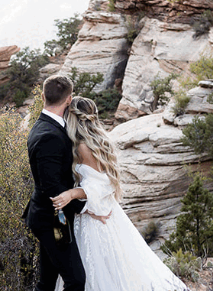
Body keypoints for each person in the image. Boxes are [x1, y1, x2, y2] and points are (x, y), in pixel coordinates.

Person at [51, 96, 190, 291]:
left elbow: (97, 184)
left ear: (73, 118)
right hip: (109, 211)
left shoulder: (81, 147)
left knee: (95, 269)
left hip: (92, 218)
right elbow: (107, 182)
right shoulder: (101, 141)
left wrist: (73, 193)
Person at [24, 75, 88, 291]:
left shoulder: (44, 126)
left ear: (43, 96)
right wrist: (85, 207)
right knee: (76, 280)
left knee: (47, 281)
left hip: (46, 215)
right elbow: (51, 186)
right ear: (69, 99)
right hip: (51, 220)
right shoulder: (49, 135)